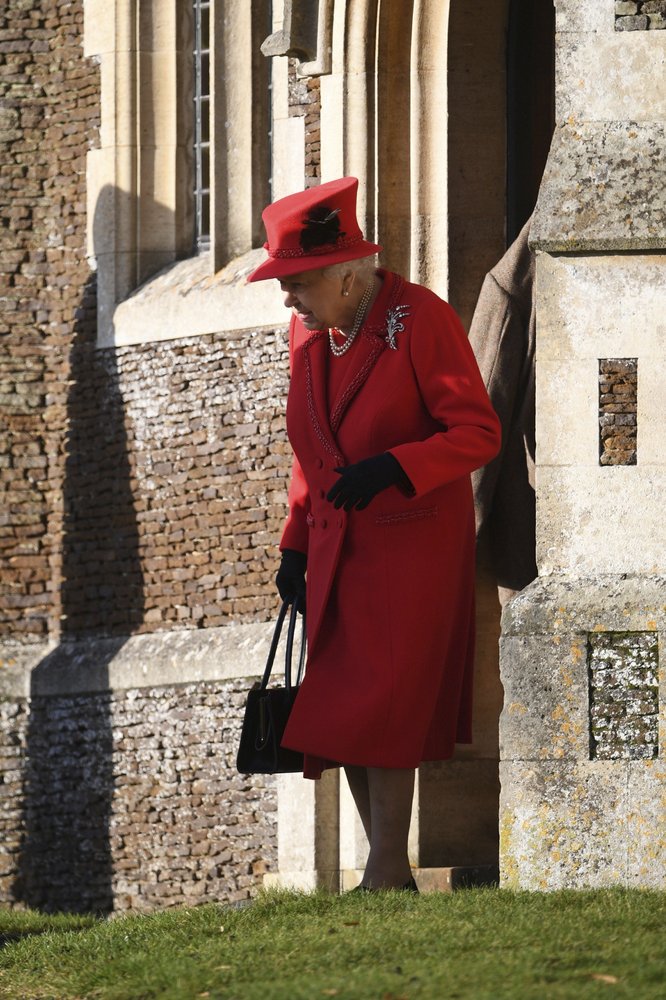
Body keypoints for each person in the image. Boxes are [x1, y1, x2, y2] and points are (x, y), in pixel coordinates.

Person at [247, 177, 501, 892]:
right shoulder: (308, 332)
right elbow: (311, 451)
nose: (287, 298)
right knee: (346, 709)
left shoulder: (421, 318)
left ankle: (388, 867)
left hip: (410, 546)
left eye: (297, 282)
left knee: (387, 705)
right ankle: (385, 865)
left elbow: (477, 432)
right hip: (335, 546)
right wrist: (294, 544)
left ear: (347, 275)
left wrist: (396, 465)